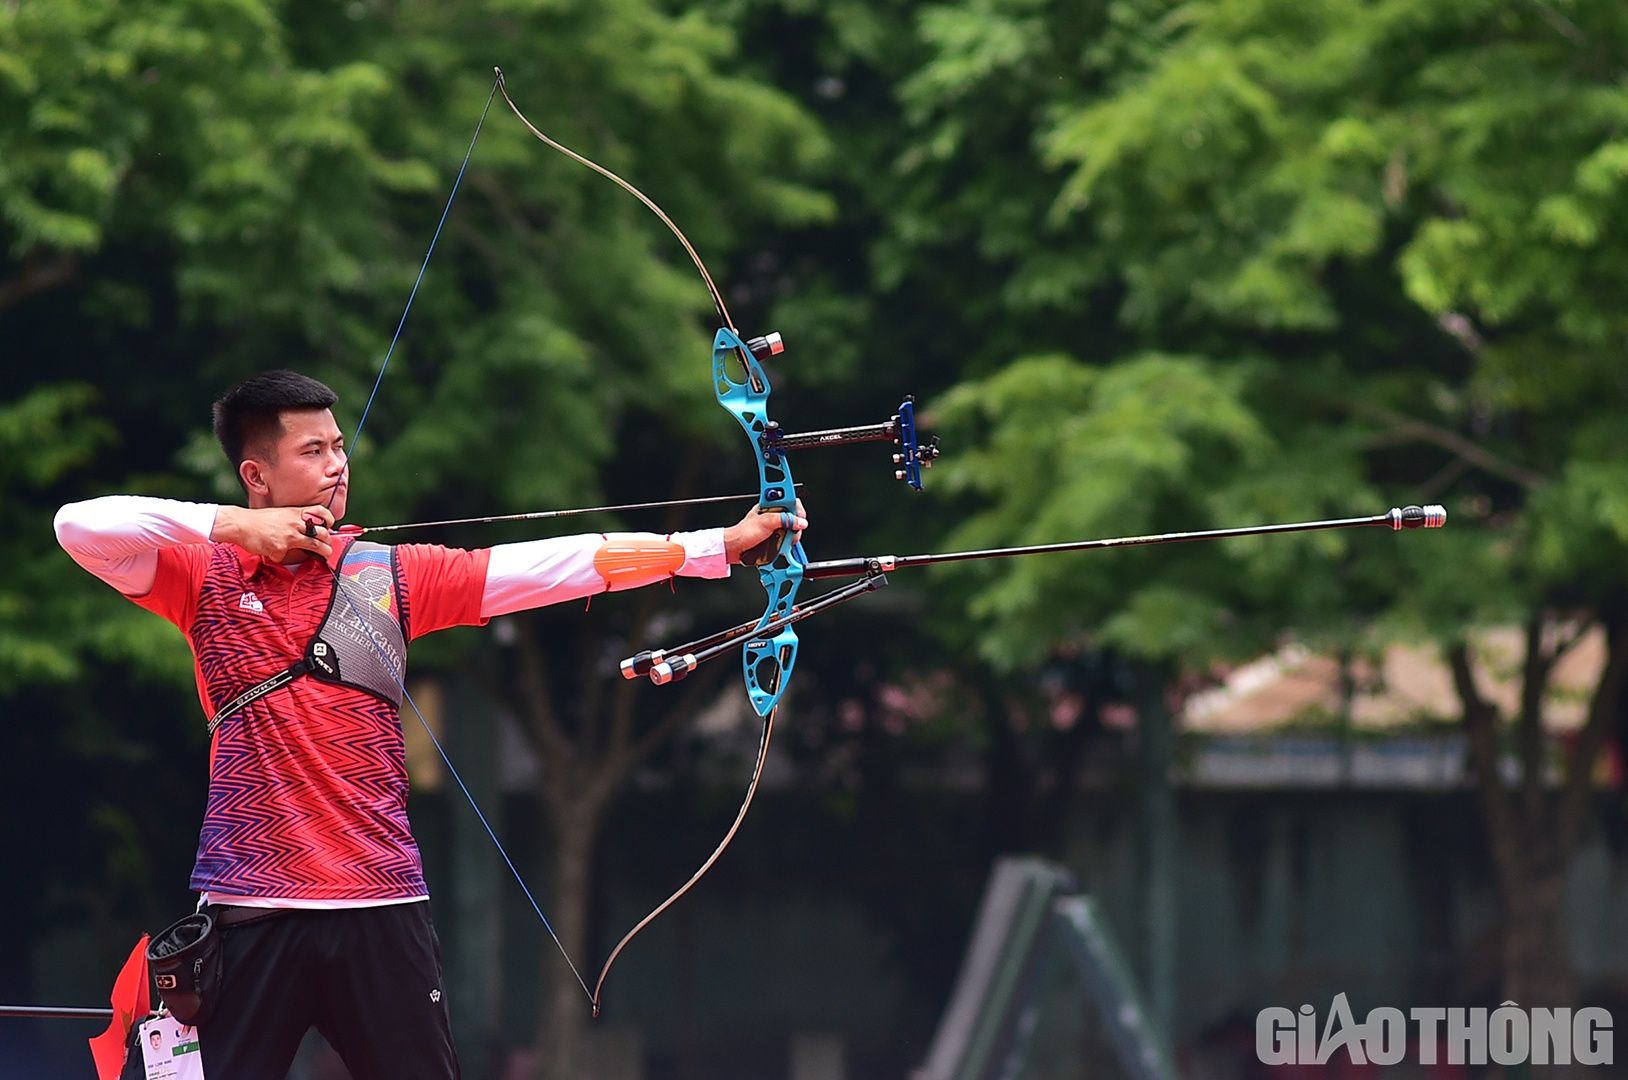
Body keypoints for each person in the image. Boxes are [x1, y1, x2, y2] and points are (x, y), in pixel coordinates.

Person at [55, 370, 805, 1080]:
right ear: (257, 475)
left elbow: (555, 564)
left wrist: (717, 548)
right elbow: (78, 526)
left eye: (340, 446)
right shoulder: (200, 575)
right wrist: (237, 531)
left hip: (380, 908)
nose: (336, 465)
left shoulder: (389, 574)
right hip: (251, 908)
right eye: (312, 451)